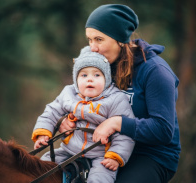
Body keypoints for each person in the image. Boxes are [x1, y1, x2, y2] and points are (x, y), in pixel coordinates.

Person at [59, 4, 181, 183]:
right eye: (89, 40)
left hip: (151, 155)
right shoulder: (103, 66)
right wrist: (67, 121)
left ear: (120, 39)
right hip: (105, 149)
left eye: (99, 39)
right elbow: (83, 101)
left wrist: (117, 123)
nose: (93, 48)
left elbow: (163, 130)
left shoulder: (156, 72)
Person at [32, 46, 135, 183]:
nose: (90, 79)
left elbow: (125, 134)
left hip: (101, 155)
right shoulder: (68, 94)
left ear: (107, 79)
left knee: (100, 178)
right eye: (84, 75)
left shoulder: (116, 99)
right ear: (76, 79)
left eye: (97, 75)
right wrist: (43, 133)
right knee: (42, 167)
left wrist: (115, 156)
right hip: (69, 150)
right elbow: (51, 112)